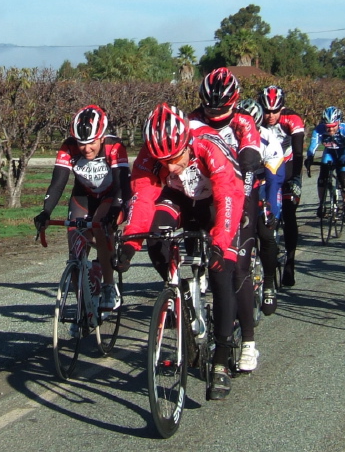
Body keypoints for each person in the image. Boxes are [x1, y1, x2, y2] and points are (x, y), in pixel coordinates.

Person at [119, 102, 244, 400]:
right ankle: (180, 295)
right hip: (178, 199)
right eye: (163, 161)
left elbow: (228, 196)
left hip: (216, 201)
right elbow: (143, 200)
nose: (171, 167)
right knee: (156, 238)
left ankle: (221, 362)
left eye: (175, 158)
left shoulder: (208, 146)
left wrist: (220, 242)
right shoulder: (152, 157)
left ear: (187, 143)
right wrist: (129, 245)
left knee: (221, 271)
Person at [189, 68, 263, 373]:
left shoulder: (243, 122)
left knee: (236, 271)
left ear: (234, 102)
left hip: (241, 193)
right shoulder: (193, 119)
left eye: (220, 108)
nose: (213, 113)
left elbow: (249, 163)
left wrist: (242, 205)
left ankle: (248, 341)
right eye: (208, 107)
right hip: (207, 194)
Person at [34, 105, 130, 313]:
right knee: (75, 250)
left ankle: (108, 286)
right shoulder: (68, 147)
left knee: (100, 228)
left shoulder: (115, 146)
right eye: (81, 143)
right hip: (83, 196)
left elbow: (123, 185)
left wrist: (115, 211)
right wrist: (46, 212)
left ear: (102, 137)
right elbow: (58, 184)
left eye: (91, 143)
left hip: (110, 196)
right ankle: (82, 308)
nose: (86, 149)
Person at [236, 98, 283, 316]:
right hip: (238, 186)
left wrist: (271, 209)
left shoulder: (269, 139)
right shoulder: (229, 137)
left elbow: (274, 179)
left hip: (264, 184)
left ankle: (270, 284)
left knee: (265, 232)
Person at [257, 85, 305, 287]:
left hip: (289, 166)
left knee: (289, 212)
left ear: (282, 108)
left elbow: (298, 151)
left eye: (275, 111)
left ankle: (290, 263)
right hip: (265, 168)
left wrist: (294, 179)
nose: (270, 115)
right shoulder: (255, 120)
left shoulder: (291, 119)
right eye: (266, 110)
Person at [305, 106, 345, 223]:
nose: (330, 130)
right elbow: (313, 146)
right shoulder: (318, 130)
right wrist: (309, 157)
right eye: (327, 127)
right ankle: (322, 204)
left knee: (344, 180)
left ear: (338, 122)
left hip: (344, 154)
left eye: (333, 126)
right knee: (322, 178)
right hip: (329, 153)